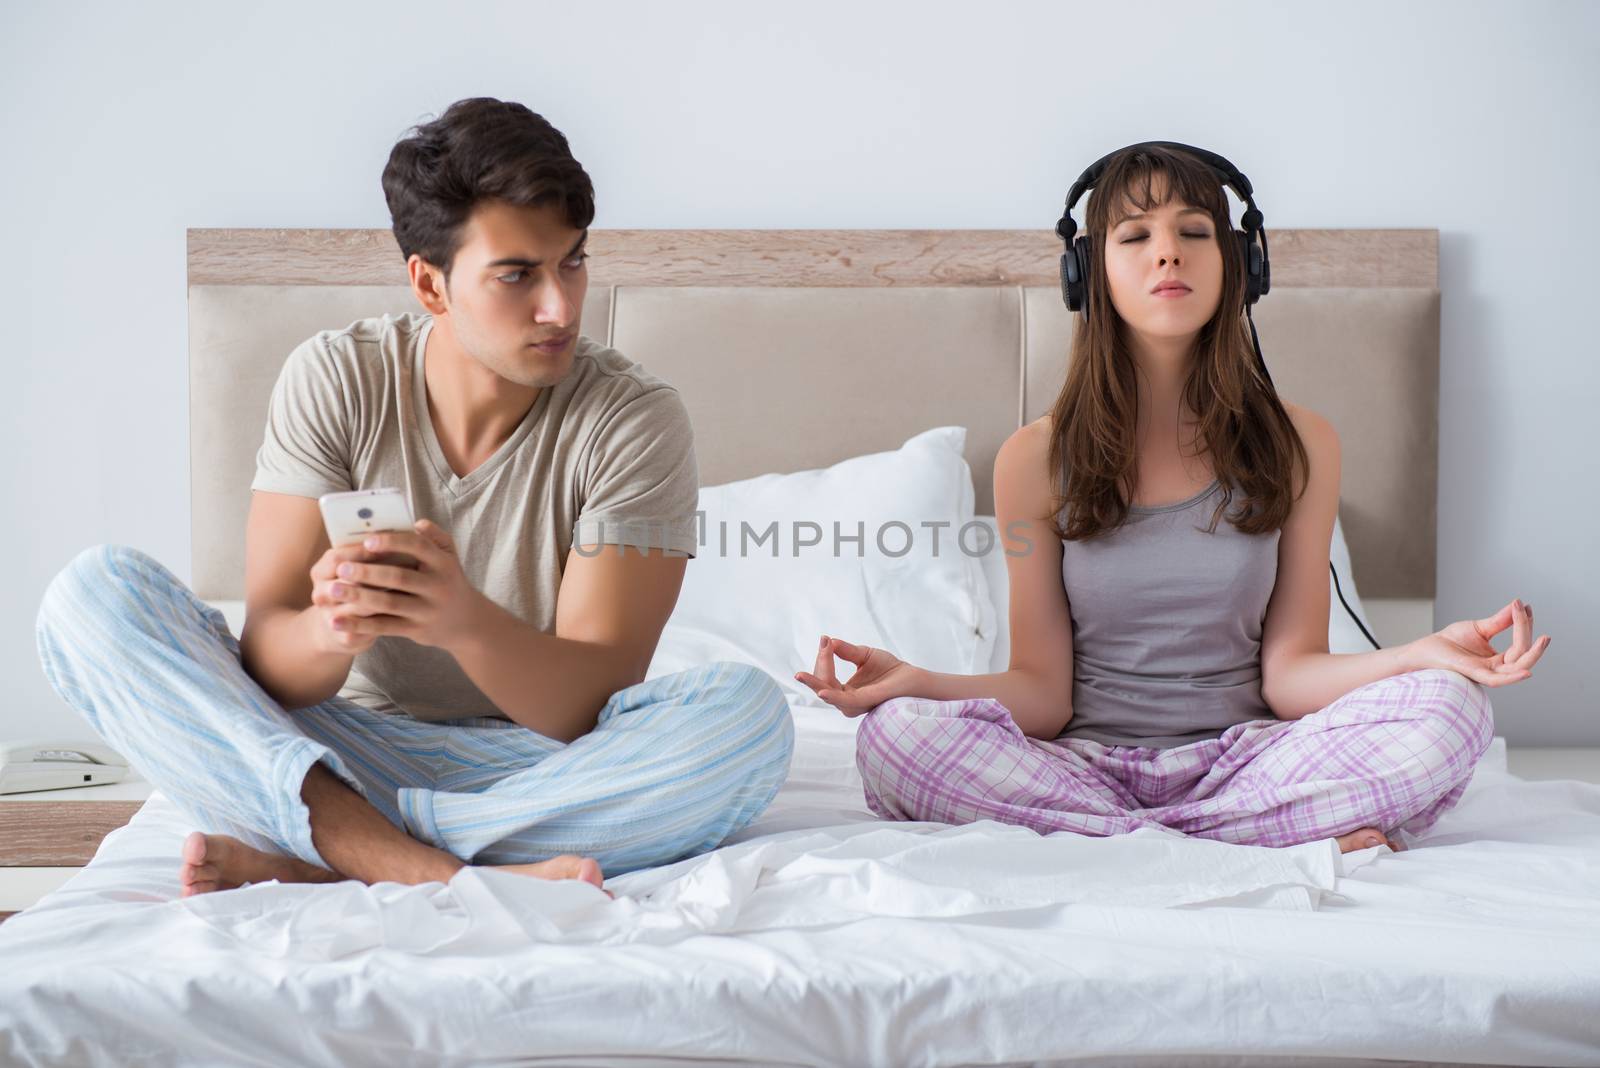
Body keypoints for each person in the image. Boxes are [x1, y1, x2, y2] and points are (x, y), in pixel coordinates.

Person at [35, 97, 793, 896]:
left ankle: (336, 853)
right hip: (336, 746)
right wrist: (332, 629)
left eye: (572, 261)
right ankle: (422, 867)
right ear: (429, 285)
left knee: (746, 719)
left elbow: (588, 704)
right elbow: (272, 668)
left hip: (542, 766)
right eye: (517, 275)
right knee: (95, 595)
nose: (561, 307)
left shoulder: (633, 420)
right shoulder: (337, 379)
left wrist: (462, 621)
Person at [796, 142, 1549, 855]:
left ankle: (1142, 844)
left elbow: (1291, 679)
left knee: (1452, 710)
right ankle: (1249, 841)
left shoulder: (1303, 444)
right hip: (1083, 769)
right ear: (1086, 273)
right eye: (1135, 235)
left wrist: (1420, 656)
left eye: (1195, 230)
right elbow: (1043, 695)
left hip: (1249, 764)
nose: (1168, 251)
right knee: (897, 736)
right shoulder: (1035, 458)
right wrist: (918, 682)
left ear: (1240, 265)